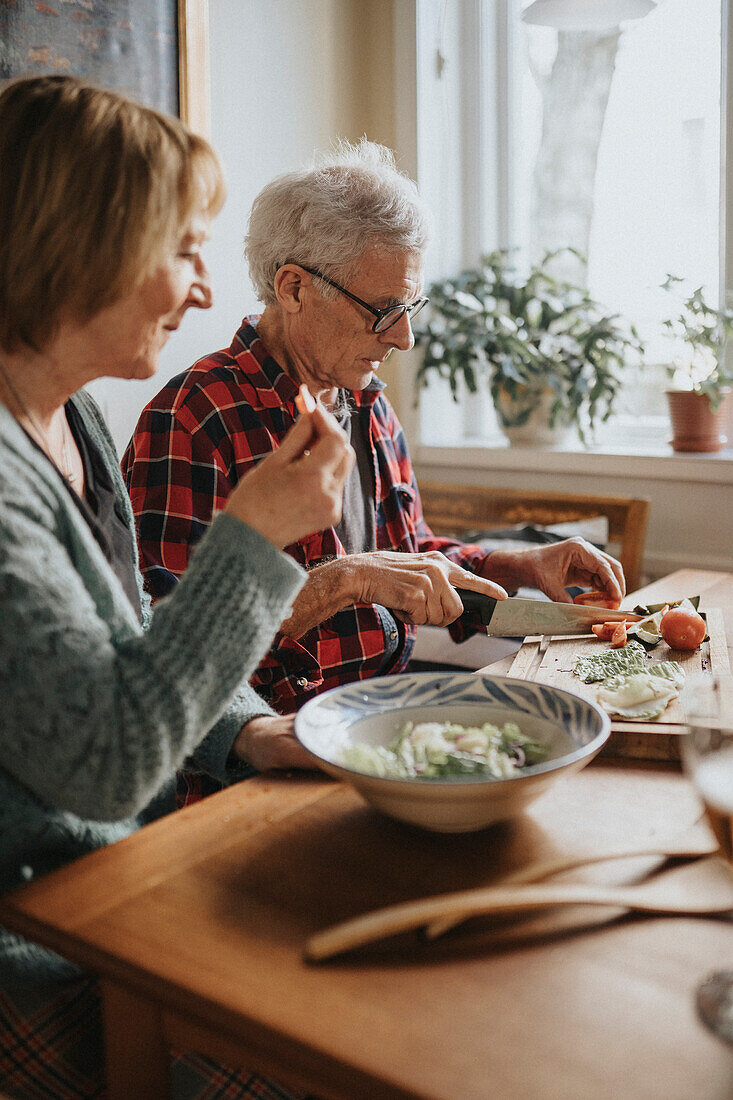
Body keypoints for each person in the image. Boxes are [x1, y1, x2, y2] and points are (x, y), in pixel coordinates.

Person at [0, 75, 354, 1100]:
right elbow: (104, 758)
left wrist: (249, 730)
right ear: (82, 245)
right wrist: (254, 533)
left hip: (119, 883)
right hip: (35, 945)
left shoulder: (70, 419)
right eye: (183, 249)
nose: (204, 288)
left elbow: (122, 634)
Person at [123, 140, 626, 802]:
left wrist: (515, 567)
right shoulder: (193, 416)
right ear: (293, 287)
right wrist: (340, 583)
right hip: (256, 768)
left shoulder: (364, 401)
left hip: (379, 727)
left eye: (409, 309)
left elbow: (407, 559)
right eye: (382, 310)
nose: (403, 338)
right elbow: (164, 644)